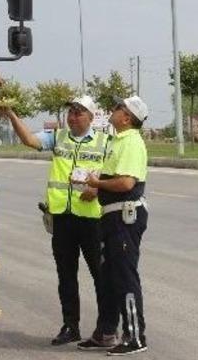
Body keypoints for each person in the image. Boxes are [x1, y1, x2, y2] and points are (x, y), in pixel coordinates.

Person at [0, 95, 114, 345]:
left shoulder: (105, 142)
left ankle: (105, 329)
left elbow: (116, 173)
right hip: (62, 218)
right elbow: (30, 140)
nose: (73, 117)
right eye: (71, 112)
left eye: (79, 112)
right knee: (66, 276)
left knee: (101, 276)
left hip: (92, 219)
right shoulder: (58, 137)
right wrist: (12, 116)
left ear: (91, 117)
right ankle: (70, 326)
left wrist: (98, 188)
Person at [75, 95, 150, 356]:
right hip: (110, 217)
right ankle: (106, 332)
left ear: (127, 117)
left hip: (124, 218)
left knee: (124, 277)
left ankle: (135, 337)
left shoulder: (131, 142)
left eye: (119, 107)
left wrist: (97, 184)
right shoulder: (117, 140)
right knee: (108, 278)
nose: (114, 110)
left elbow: (126, 183)